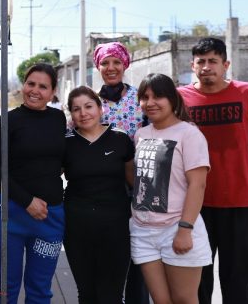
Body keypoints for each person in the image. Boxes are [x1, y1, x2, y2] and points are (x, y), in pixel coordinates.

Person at [177, 37, 248, 304]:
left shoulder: (247, 92)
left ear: (225, 64)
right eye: (201, 61)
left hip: (238, 200)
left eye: (213, 61)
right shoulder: (181, 97)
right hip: (195, 203)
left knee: (238, 277)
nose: (207, 67)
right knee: (198, 278)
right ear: (192, 65)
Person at [0, 63, 66, 304]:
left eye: (43, 86)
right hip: (9, 215)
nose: (35, 90)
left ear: (52, 92)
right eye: (31, 83)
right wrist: (27, 200)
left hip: (49, 217)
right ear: (23, 85)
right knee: (5, 289)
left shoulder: (58, 118)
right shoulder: (9, 120)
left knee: (40, 289)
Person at [131, 74, 211, 304]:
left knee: (184, 299)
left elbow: (198, 184)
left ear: (173, 99)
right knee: (161, 301)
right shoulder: (141, 135)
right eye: (145, 97)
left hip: (176, 228)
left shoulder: (189, 133)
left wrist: (185, 229)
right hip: (143, 231)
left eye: (158, 96)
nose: (150, 102)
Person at [63, 86, 135, 303]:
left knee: (112, 294)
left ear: (100, 108)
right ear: (71, 114)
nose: (83, 113)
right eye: (76, 109)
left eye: (88, 106)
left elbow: (134, 182)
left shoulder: (120, 139)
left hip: (116, 225)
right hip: (77, 226)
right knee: (87, 293)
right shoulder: (66, 143)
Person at [92, 41, 149, 303]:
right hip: (105, 189)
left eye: (116, 62)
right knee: (108, 257)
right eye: (105, 63)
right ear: (98, 66)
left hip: (141, 186)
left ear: (125, 64)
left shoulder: (141, 98)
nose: (111, 68)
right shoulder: (91, 103)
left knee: (139, 255)